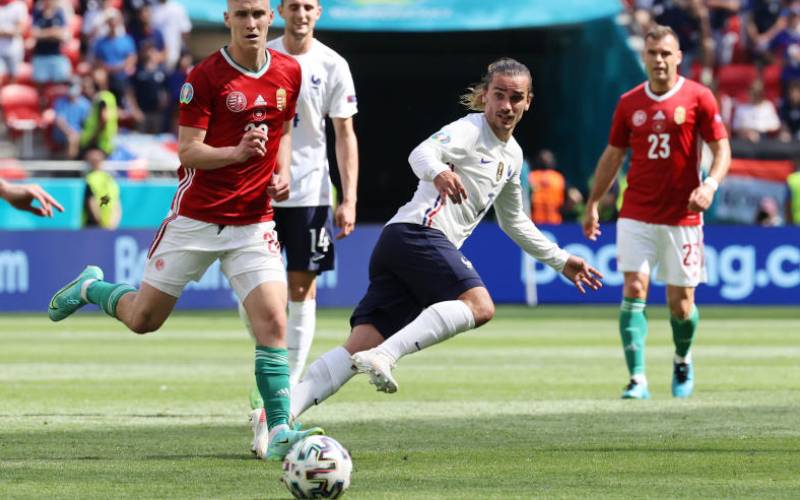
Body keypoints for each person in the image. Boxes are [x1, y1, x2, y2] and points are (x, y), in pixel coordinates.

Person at [47, 0, 323, 461]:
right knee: (144, 320)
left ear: (270, 18)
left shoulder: (288, 72)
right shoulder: (205, 77)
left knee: (275, 322)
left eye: (258, 14)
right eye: (242, 15)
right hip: (196, 218)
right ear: (227, 20)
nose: (251, 23)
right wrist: (236, 153)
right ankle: (92, 287)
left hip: (253, 221)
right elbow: (189, 152)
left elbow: (283, 132)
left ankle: (278, 429)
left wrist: (282, 172)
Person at [285, 58, 603, 423]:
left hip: (401, 243)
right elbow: (420, 153)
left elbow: (514, 220)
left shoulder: (512, 156)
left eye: (516, 97)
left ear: (528, 102)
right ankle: (385, 356)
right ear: (485, 96)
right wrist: (438, 172)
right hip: (417, 234)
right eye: (499, 95)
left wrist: (561, 260)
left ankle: (276, 416)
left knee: (358, 346)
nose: (506, 105)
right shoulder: (470, 129)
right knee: (480, 306)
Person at [582, 25, 730, 400]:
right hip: (636, 211)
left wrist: (709, 185)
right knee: (634, 288)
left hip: (683, 216)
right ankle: (637, 379)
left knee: (681, 306)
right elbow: (613, 155)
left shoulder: (699, 97)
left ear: (678, 57)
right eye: (653, 53)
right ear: (644, 56)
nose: (659, 60)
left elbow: (722, 149)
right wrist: (594, 202)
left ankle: (682, 358)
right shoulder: (629, 103)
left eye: (666, 53)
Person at [82, 148, 122, 229]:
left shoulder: (92, 179)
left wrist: (110, 223)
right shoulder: (109, 179)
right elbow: (92, 201)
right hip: (98, 225)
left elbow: (115, 203)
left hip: (102, 225)